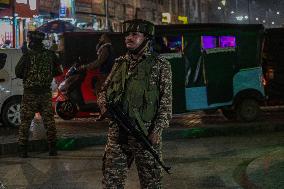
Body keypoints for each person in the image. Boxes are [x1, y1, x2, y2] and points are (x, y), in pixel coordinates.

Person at [97, 19, 172, 188]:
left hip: (145, 133)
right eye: (127, 35)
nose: (128, 38)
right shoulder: (119, 63)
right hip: (118, 134)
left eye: (134, 34)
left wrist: (157, 130)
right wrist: (103, 106)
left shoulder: (160, 66)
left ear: (146, 39)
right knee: (111, 183)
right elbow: (103, 91)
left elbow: (166, 102)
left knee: (151, 183)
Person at [15, 31, 63, 158]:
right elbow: (58, 71)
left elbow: (18, 72)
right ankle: (52, 148)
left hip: (30, 93)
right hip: (45, 93)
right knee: (49, 121)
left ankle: (23, 150)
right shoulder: (51, 55)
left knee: (25, 121)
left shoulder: (27, 55)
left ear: (31, 41)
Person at [79, 33, 116, 121]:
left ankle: (106, 113)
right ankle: (104, 113)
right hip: (107, 74)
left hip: (105, 74)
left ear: (106, 39)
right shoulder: (109, 48)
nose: (100, 39)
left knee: (100, 93)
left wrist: (86, 67)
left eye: (102, 38)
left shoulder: (106, 48)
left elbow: (99, 62)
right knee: (102, 93)